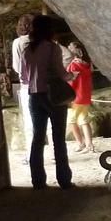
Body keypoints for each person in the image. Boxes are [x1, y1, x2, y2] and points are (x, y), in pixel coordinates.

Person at [19, 15, 77, 188]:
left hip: (34, 95)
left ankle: (37, 180)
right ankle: (64, 179)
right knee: (58, 138)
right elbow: (61, 73)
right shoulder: (53, 48)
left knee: (38, 138)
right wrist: (71, 76)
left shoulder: (26, 49)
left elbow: (23, 77)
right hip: (53, 96)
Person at [10, 15, 35, 165]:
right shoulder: (43, 41)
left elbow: (16, 66)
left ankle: (32, 155)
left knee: (29, 123)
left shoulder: (18, 42)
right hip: (45, 85)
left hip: (27, 86)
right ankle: (54, 154)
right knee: (49, 123)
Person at [66, 41, 96, 153]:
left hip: (75, 98)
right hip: (85, 96)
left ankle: (80, 143)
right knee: (84, 120)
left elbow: (70, 83)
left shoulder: (73, 65)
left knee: (71, 120)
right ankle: (90, 145)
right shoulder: (87, 65)